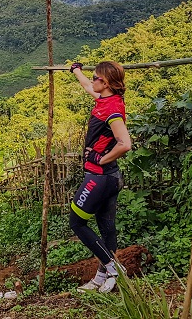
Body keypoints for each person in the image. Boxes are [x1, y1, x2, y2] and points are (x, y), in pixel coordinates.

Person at [68, 61, 132, 293]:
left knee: (77, 222)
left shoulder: (112, 110)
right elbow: (88, 87)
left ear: (105, 83)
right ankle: (101, 278)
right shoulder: (106, 99)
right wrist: (76, 71)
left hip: (100, 177)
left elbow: (125, 144)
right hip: (110, 177)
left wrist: (100, 159)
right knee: (107, 229)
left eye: (95, 77)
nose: (92, 80)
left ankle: (114, 268)